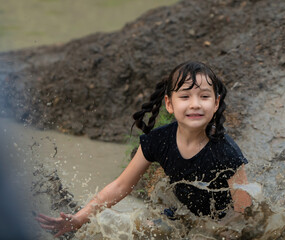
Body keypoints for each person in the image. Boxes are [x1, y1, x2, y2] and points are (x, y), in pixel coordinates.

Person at [36, 61, 252, 237]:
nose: (195, 104)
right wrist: (79, 219)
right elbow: (121, 185)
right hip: (180, 216)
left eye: (204, 96)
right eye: (185, 96)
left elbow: (244, 212)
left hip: (219, 225)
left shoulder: (226, 152)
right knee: (141, 230)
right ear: (169, 103)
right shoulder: (159, 140)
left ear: (216, 103)